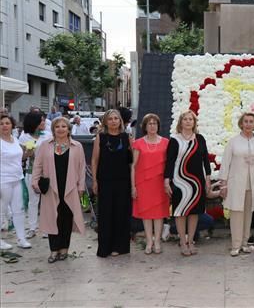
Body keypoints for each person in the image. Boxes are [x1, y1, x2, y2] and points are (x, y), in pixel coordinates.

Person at [31, 117, 86, 263]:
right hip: (51, 188)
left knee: (66, 219)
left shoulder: (77, 146)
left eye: (64, 126)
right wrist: (35, 181)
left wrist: (81, 187)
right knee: (52, 218)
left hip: (70, 188)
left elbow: (81, 168)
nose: (61, 129)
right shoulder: (45, 145)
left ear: (69, 129)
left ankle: (64, 250)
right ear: (53, 129)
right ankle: (53, 250)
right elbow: (37, 165)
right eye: (57, 126)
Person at [164, 110, 211, 256]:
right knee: (180, 212)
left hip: (197, 182)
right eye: (185, 119)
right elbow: (170, 162)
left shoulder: (200, 139)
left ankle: (191, 241)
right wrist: (167, 181)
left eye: (191, 119)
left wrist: (208, 179)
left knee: (194, 212)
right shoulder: (174, 140)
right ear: (181, 122)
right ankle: (183, 243)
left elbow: (206, 161)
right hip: (179, 182)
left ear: (194, 122)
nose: (188, 121)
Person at [219, 113, 254, 256]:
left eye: (251, 121)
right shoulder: (233, 142)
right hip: (236, 184)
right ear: (241, 123)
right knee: (236, 214)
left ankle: (245, 243)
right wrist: (223, 184)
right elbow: (225, 163)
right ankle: (235, 245)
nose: (248, 124)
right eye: (245, 121)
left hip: (253, 184)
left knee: (248, 214)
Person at [91, 109, 133, 257]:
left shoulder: (127, 137)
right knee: (106, 214)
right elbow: (95, 160)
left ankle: (120, 247)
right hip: (105, 181)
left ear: (120, 121)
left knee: (121, 213)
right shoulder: (100, 137)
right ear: (105, 122)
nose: (114, 121)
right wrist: (95, 181)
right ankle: (105, 248)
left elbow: (133, 160)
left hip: (123, 181)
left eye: (116, 118)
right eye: (110, 119)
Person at [131, 114, 170, 254]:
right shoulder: (138, 143)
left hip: (160, 183)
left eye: (155, 123)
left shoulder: (166, 142)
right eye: (149, 123)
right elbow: (133, 166)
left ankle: (157, 241)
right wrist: (133, 186)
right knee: (147, 214)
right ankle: (149, 242)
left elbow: (170, 165)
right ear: (145, 126)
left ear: (158, 126)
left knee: (159, 214)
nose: (152, 126)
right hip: (143, 183)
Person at [0, 115, 31, 250]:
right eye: (1, 123)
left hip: (18, 178)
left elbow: (19, 159)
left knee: (18, 210)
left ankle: (21, 239)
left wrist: (28, 154)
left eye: (7, 123)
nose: (5, 126)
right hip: (3, 180)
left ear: (12, 125)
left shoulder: (15, 140)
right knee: (1, 211)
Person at [18, 112, 51, 239]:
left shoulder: (48, 135)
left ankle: (47, 228)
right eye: (41, 121)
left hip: (47, 172)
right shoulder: (24, 137)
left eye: (44, 120)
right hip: (31, 171)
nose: (44, 123)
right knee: (33, 201)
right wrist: (28, 152)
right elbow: (22, 157)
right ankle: (32, 228)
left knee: (47, 200)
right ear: (34, 122)